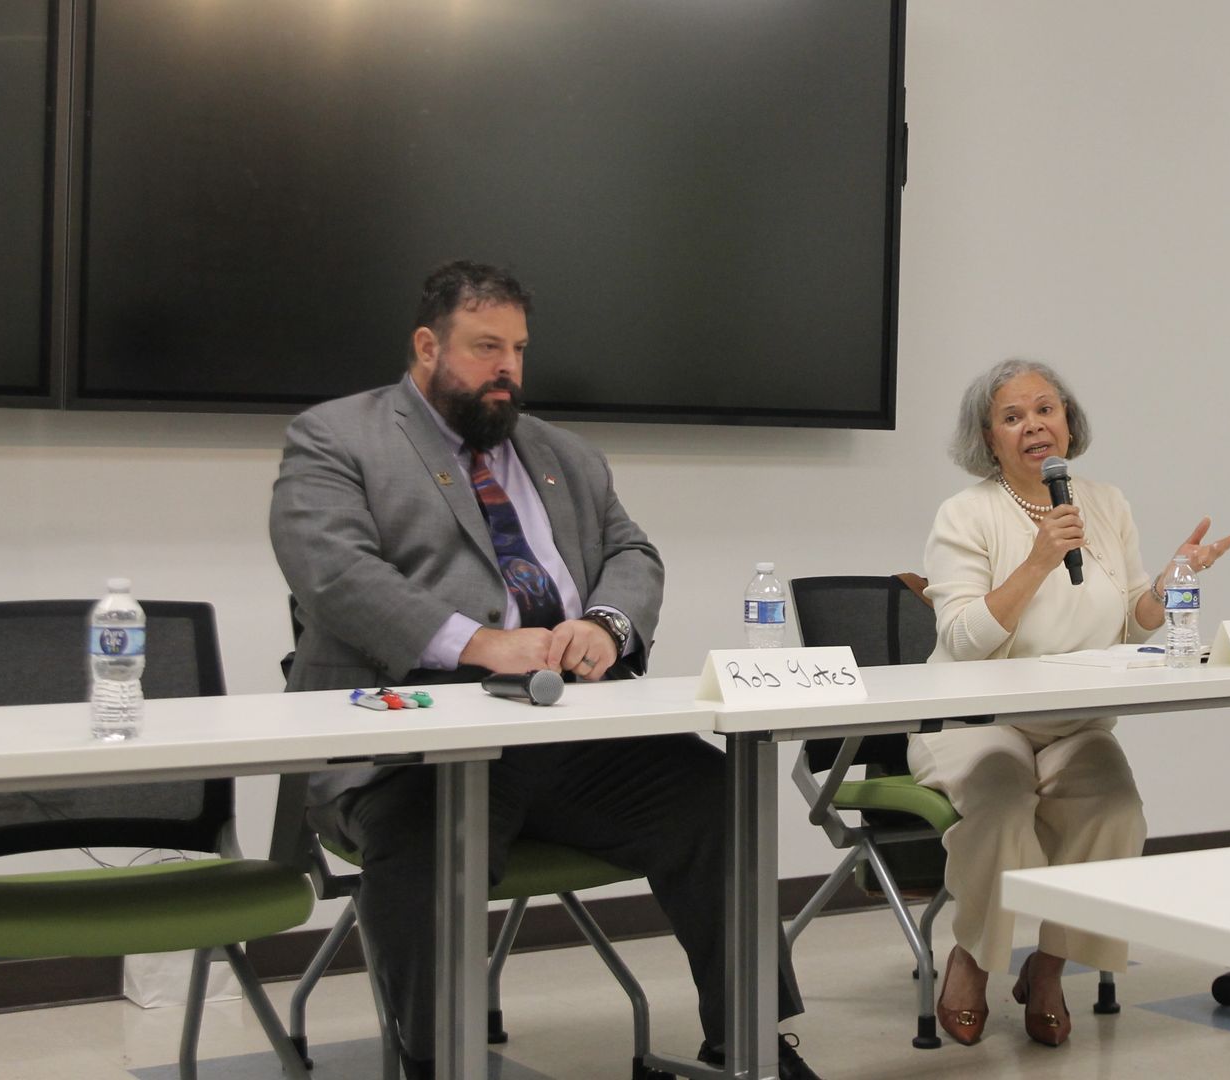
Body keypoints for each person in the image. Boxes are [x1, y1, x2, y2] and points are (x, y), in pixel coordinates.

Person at [269, 260, 820, 1080]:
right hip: (413, 746)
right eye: (486, 347)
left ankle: (746, 1048)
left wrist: (607, 623)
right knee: (431, 836)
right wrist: (477, 642)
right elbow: (332, 573)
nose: (509, 369)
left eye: (519, 349)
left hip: (564, 733)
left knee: (714, 795)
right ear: (427, 345)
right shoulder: (337, 437)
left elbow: (633, 551)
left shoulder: (564, 454)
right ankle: (436, 1061)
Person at [910, 358, 1230, 1047]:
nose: (1034, 425)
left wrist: (1173, 580)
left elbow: (1130, 621)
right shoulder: (965, 514)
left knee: (1117, 810)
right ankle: (971, 957)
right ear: (989, 438)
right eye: (1013, 416)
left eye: (1045, 409)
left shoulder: (1105, 503)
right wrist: (1035, 560)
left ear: (1068, 421)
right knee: (1000, 805)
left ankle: (1050, 966)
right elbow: (962, 640)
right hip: (977, 719)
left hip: (1074, 721)